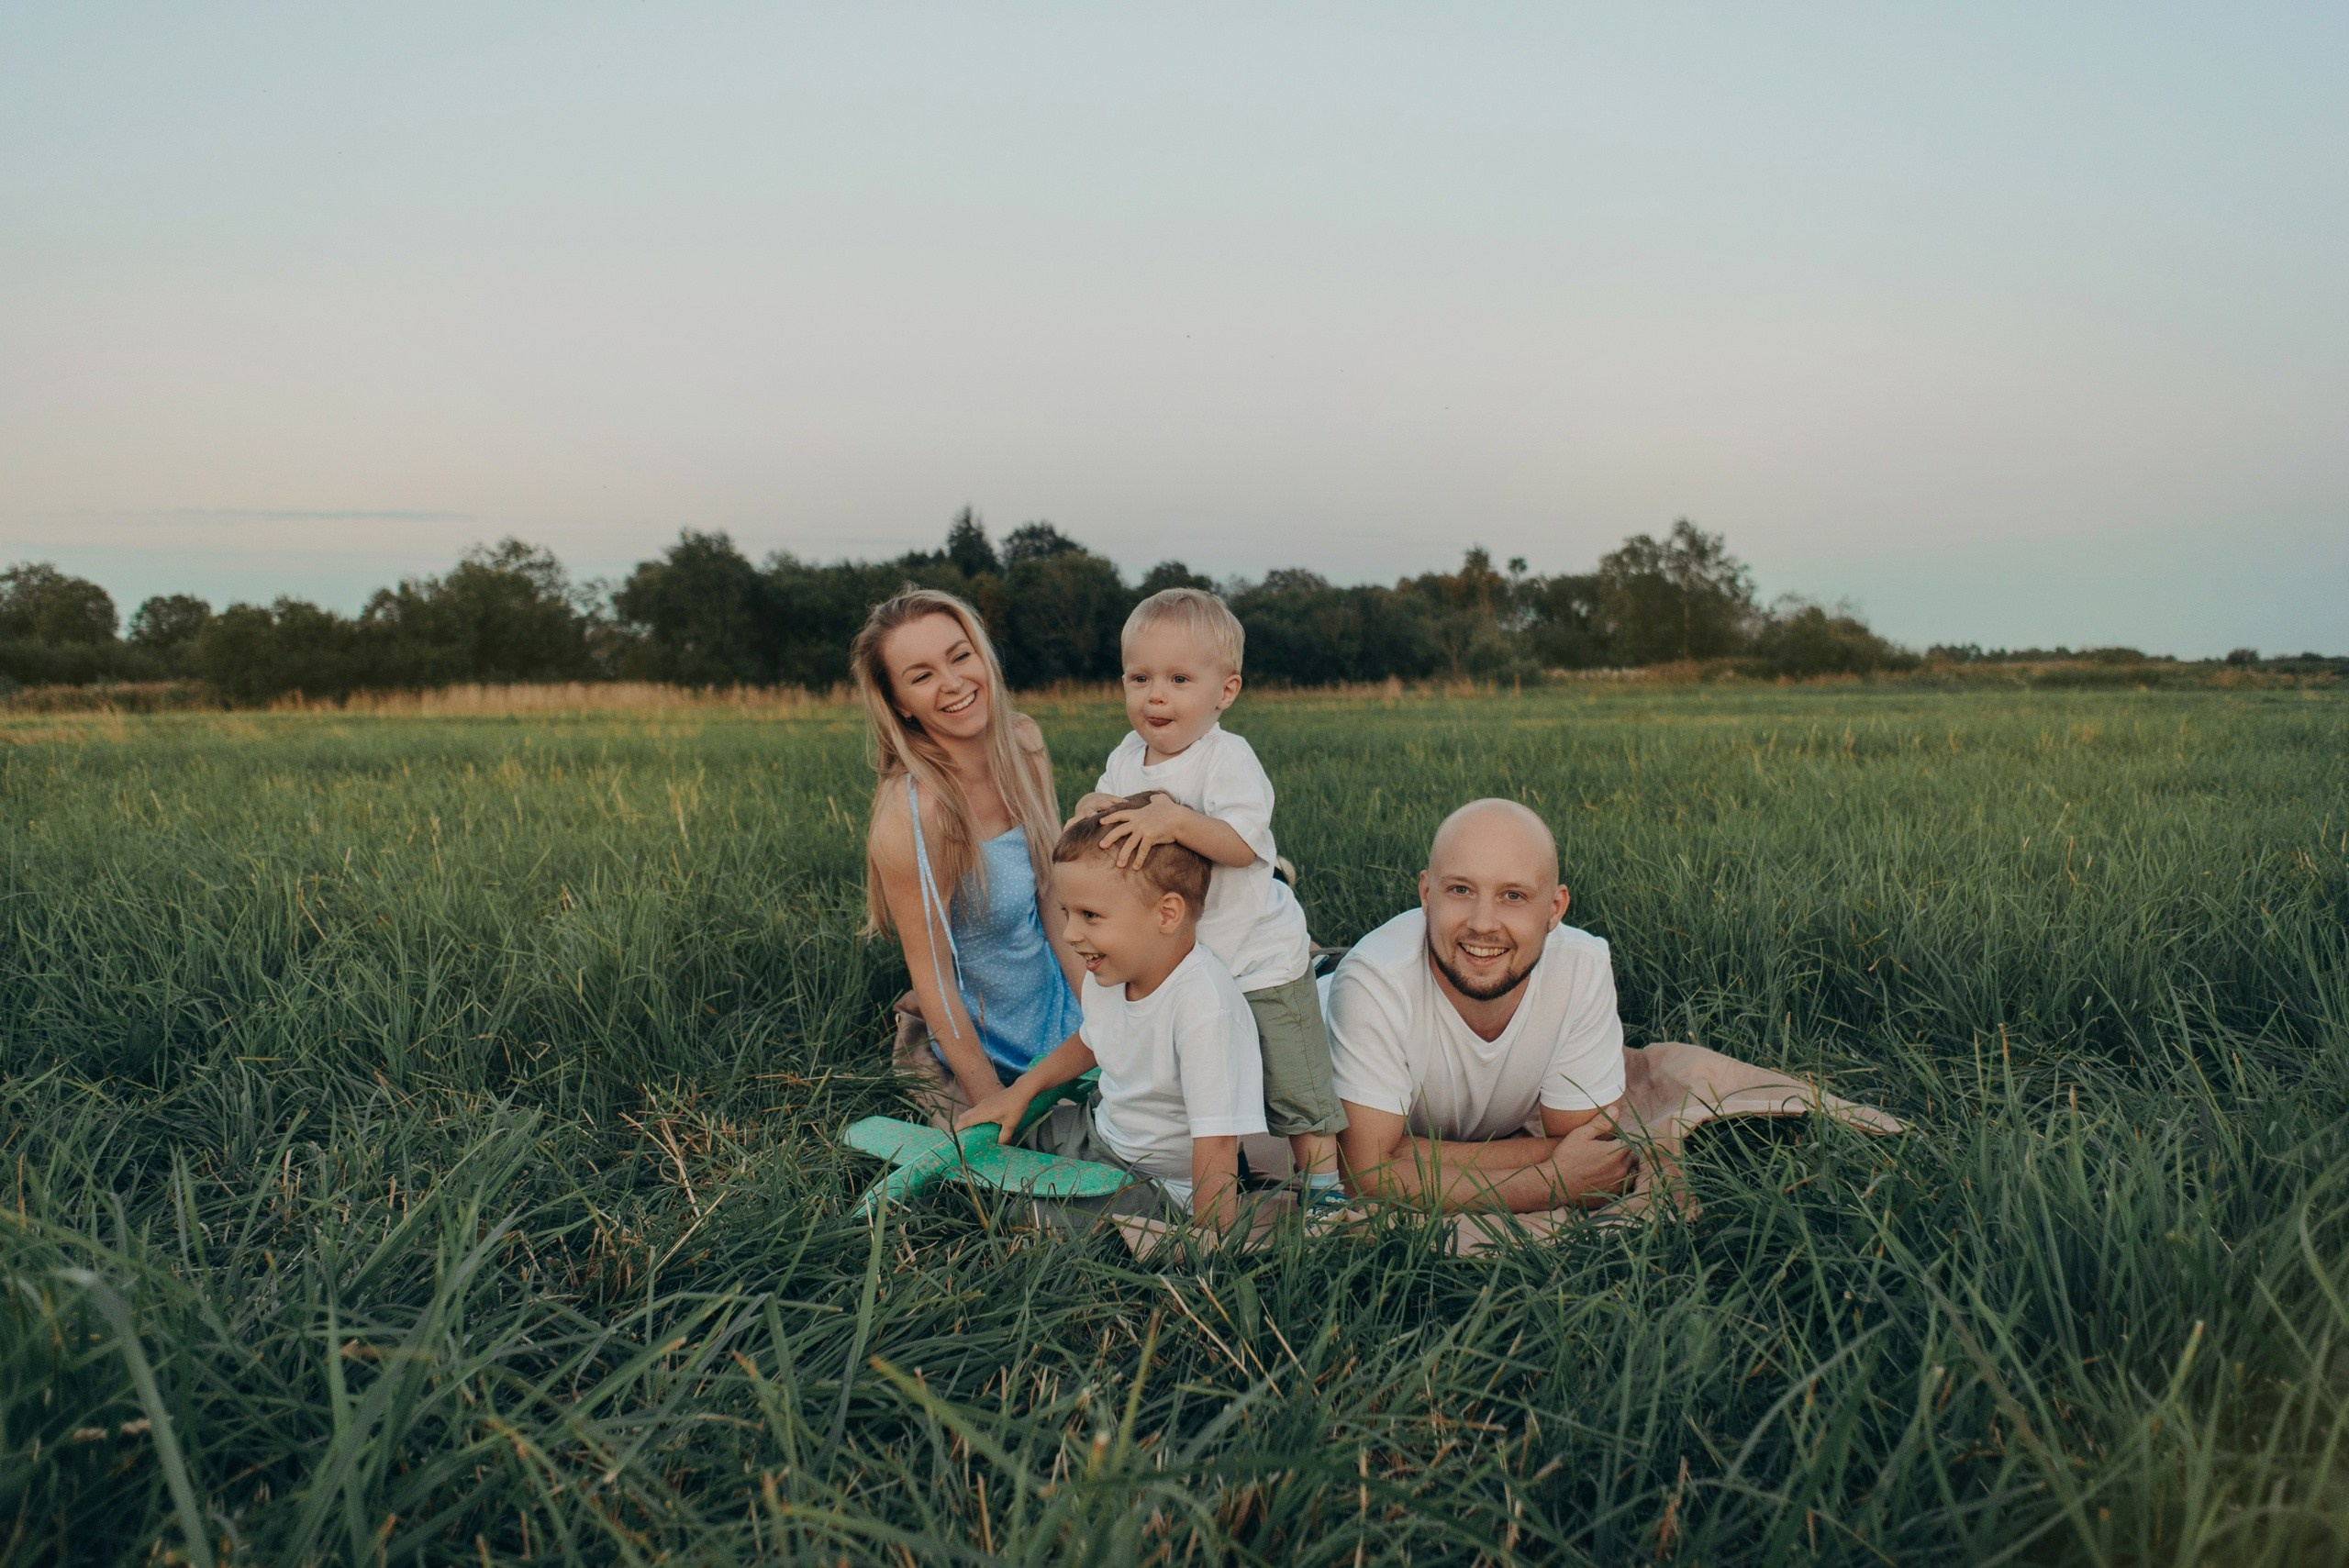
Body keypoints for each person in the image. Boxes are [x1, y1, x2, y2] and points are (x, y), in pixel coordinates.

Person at [1065, 587, 1348, 1209]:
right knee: (1199, 1084)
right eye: (1139, 677)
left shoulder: (1226, 760)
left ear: (1225, 691)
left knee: (1294, 1084)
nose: (1155, 695)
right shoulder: (1125, 758)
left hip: (1256, 958)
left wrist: (1173, 820)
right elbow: (1103, 819)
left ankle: (1325, 1189)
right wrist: (1092, 806)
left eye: (1178, 678)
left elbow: (1245, 844)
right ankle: (1216, 1168)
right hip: (1187, 966)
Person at [959, 795, 1267, 1230]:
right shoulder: (1110, 969)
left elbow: (1216, 1144)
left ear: (1167, 913)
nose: (1069, 934)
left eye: (1090, 915)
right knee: (993, 1149)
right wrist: (1021, 1090)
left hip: (1160, 1183)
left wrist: (1207, 1246)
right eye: (1067, 913)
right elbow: (1092, 1040)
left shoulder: (1203, 1009)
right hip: (1099, 1132)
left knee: (1026, 1215)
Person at [1328, 798, 1636, 1212]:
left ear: (1555, 908)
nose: (1483, 922)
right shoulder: (1373, 981)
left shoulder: (1582, 967)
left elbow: (1587, 1147)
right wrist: (1547, 1183)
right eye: (1460, 890)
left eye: (1513, 895)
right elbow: (1363, 1176)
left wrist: (1404, 1153)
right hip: (1324, 987)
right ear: (1425, 893)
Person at [854, 588, 1083, 1120]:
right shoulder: (917, 815)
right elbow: (932, 977)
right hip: (997, 1042)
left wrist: (1107, 1017)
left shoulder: (1023, 744)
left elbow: (1050, 896)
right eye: (922, 675)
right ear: (899, 705)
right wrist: (991, 1100)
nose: (954, 683)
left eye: (960, 656)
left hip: (1061, 1000)